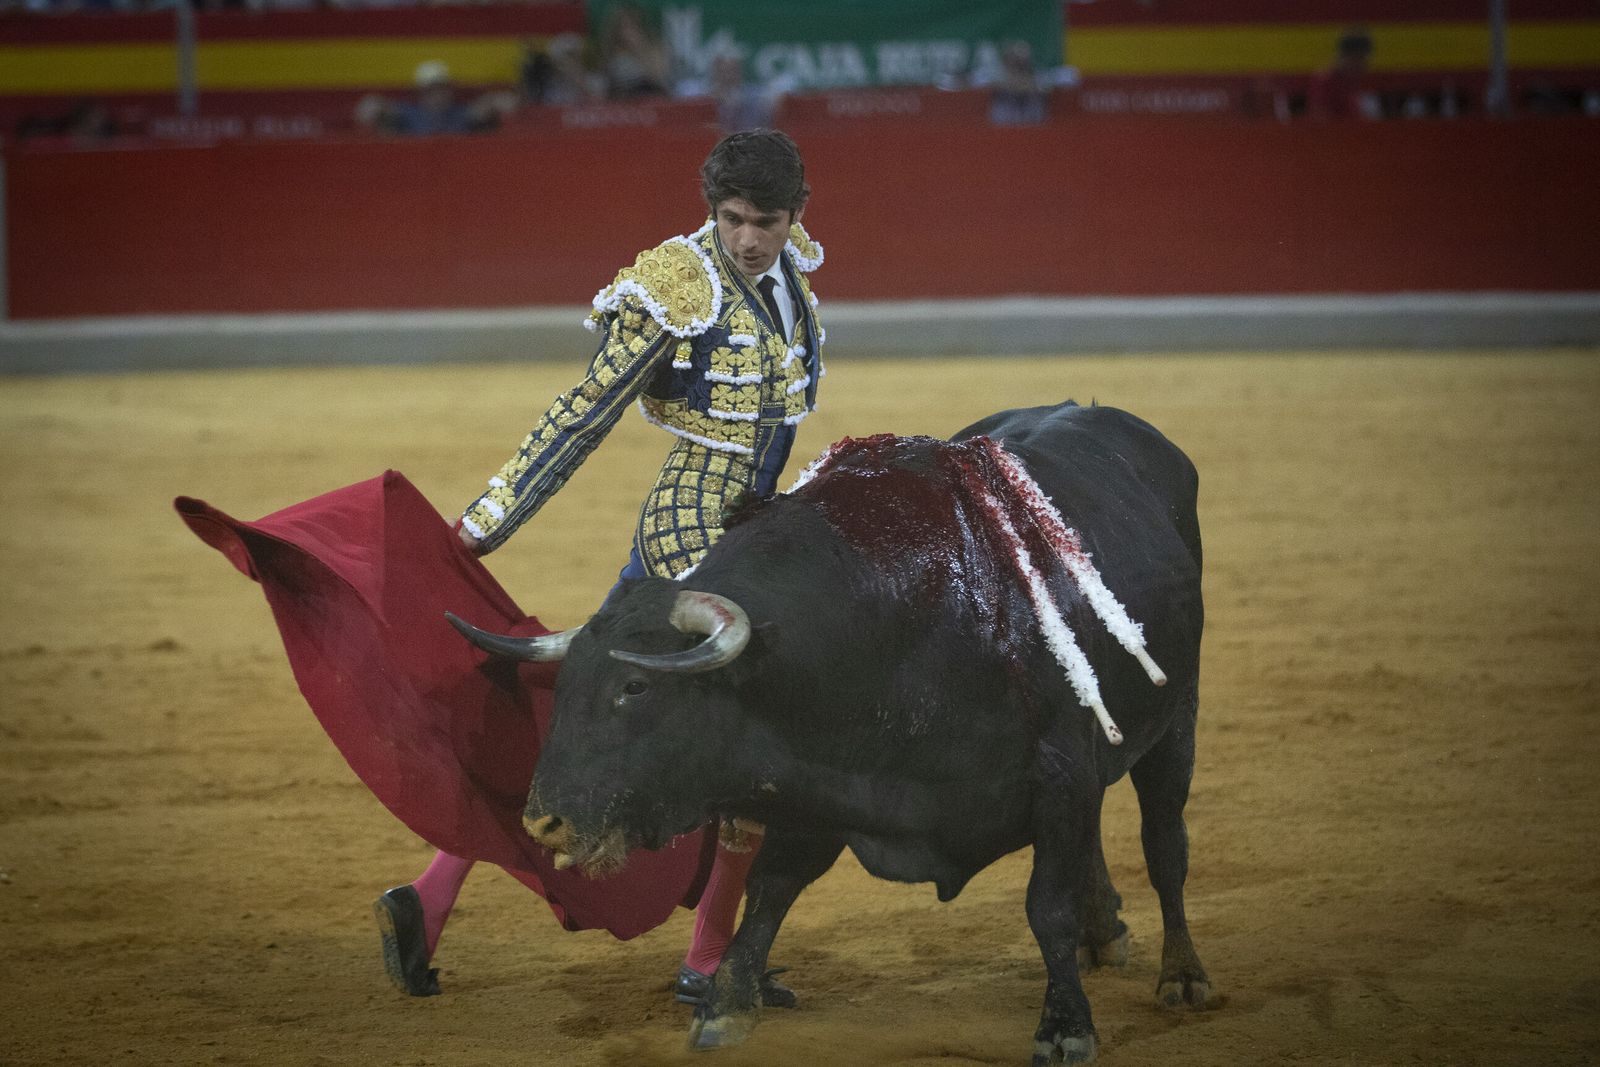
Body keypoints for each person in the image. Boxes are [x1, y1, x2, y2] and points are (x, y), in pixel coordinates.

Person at [374, 129, 826, 1008]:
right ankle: (707, 961)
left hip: (750, 532)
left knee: (562, 713)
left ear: (793, 216)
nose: (746, 238)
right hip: (688, 538)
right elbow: (582, 415)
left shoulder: (789, 277)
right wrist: (481, 526)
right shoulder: (675, 288)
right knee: (756, 737)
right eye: (731, 219)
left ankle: (426, 900)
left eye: (764, 221)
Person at [1305, 27, 1380, 121]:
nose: (1363, 65)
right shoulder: (1325, 81)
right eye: (1359, 59)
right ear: (1345, 56)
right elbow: (1320, 118)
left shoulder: (1356, 80)